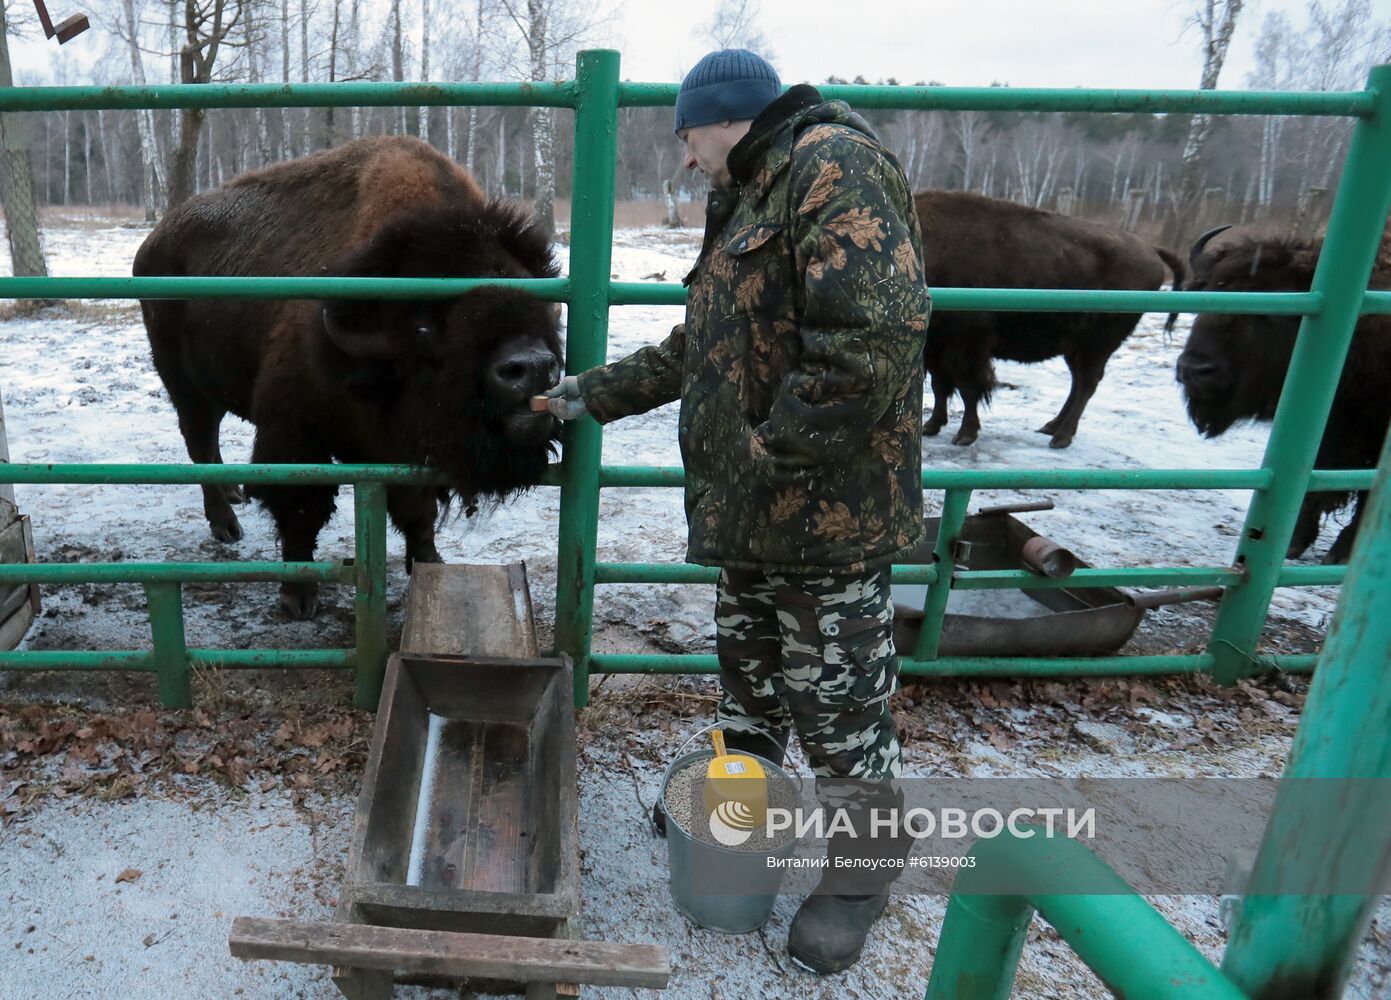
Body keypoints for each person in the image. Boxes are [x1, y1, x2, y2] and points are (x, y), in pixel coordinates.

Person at [544, 48, 932, 974]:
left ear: (725, 118)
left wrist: (772, 453)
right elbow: (706, 340)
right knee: (751, 678)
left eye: (687, 138)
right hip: (756, 512)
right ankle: (740, 806)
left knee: (837, 698)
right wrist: (594, 392)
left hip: (822, 513)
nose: (683, 160)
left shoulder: (833, 168)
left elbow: (872, 338)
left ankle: (863, 869)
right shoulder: (752, 192)